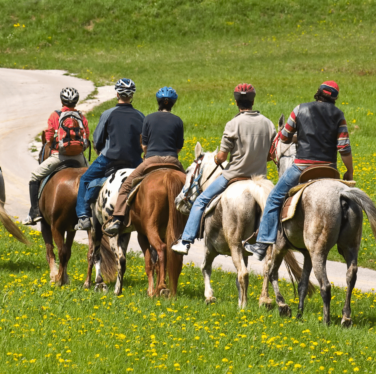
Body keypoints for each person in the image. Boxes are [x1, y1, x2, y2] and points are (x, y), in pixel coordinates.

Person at [244, 81, 353, 260]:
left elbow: (285, 138)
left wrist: (300, 137)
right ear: (334, 98)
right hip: (329, 170)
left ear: (318, 93)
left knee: (274, 198)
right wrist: (349, 171)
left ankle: (262, 245)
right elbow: (344, 148)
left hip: (303, 167)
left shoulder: (299, 109)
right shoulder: (338, 115)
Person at [171, 83, 276, 255]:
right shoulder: (268, 124)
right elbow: (272, 155)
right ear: (253, 100)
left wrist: (214, 158)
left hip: (234, 176)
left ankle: (186, 241)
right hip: (260, 179)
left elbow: (221, 158)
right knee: (275, 203)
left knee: (201, 201)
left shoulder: (233, 124)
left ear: (236, 102)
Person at [104, 86, 185, 235]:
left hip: (151, 160)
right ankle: (196, 223)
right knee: (189, 188)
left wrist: (147, 155)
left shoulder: (148, 118)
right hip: (173, 161)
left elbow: (145, 146)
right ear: (172, 103)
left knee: (127, 185)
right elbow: (179, 147)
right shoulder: (178, 121)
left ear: (158, 102)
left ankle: (116, 219)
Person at [73, 78, 145, 230]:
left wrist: (99, 149)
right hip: (134, 160)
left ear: (117, 94)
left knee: (85, 179)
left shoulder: (108, 114)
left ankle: (83, 216)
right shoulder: (140, 116)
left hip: (110, 158)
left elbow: (98, 139)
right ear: (131, 96)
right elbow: (144, 141)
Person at [21, 87, 91, 225]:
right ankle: (91, 212)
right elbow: (87, 136)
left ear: (61, 101)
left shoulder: (55, 116)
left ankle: (34, 212)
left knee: (34, 176)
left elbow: (48, 137)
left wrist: (53, 143)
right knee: (93, 179)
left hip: (59, 156)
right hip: (79, 157)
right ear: (76, 102)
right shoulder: (81, 117)